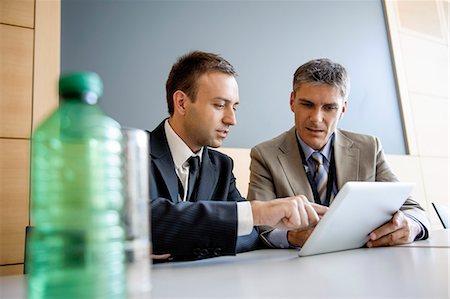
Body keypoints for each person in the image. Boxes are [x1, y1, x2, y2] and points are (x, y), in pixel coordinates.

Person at [149, 51, 327, 261]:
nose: (231, 119)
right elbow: (140, 220)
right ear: (181, 103)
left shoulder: (221, 166)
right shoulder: (127, 152)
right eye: (219, 105)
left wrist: (181, 244)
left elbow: (250, 235)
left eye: (234, 107)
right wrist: (256, 211)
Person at [247, 58, 430, 249]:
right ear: (292, 102)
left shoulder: (370, 148)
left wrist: (412, 226)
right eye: (307, 104)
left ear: (342, 109)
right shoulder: (264, 155)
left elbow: (413, 209)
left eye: (329, 108)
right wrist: (293, 236)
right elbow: (259, 228)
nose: (316, 119)